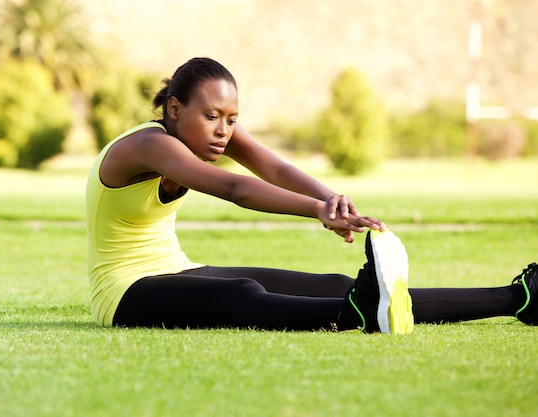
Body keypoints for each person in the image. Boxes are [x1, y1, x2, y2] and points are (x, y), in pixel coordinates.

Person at [85, 57, 538, 334]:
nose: (224, 130)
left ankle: (518, 297)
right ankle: (358, 317)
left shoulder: (210, 132)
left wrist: (333, 199)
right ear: (175, 108)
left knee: (333, 285)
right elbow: (235, 187)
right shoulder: (148, 145)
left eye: (231, 118)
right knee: (243, 294)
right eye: (212, 116)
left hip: (177, 269)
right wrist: (318, 211)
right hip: (125, 292)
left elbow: (274, 168)